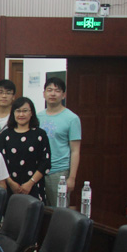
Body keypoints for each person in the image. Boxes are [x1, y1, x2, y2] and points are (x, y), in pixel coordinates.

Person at [0, 97, 51, 201]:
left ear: (32, 113)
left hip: (35, 186)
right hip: (10, 187)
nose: (21, 114)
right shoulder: (4, 136)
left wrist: (30, 183)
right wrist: (11, 183)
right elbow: (0, 163)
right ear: (13, 113)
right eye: (18, 111)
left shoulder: (40, 134)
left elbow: (45, 162)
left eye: (25, 111)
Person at [37, 77, 81, 206]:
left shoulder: (72, 118)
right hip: (38, 171)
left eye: (57, 90)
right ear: (44, 93)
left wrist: (72, 177)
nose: (53, 93)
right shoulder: (37, 117)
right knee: (39, 210)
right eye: (49, 90)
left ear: (63, 95)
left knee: (59, 211)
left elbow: (75, 151)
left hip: (59, 172)